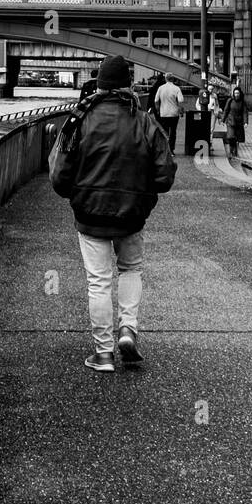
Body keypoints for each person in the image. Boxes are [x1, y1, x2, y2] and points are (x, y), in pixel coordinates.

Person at [50, 55, 176, 373]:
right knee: (130, 270)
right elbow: (165, 175)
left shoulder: (79, 119)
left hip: (90, 214)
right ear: (127, 85)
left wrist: (76, 194)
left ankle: (103, 353)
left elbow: (59, 176)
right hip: (132, 214)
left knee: (98, 282)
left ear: (99, 84)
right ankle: (127, 330)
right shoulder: (144, 121)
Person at [154, 74, 185, 151]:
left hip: (163, 113)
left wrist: (158, 110)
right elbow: (180, 101)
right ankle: (171, 150)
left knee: (165, 132)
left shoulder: (161, 88)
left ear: (165, 79)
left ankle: (165, 149)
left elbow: (156, 101)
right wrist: (181, 111)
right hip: (174, 113)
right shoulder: (176, 88)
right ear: (173, 79)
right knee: (173, 132)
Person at [224, 86, 247, 159]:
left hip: (239, 122)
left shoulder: (242, 102)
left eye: (238, 93)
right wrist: (223, 119)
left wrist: (245, 122)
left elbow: (245, 112)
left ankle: (234, 152)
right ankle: (231, 151)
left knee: (237, 138)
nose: (236, 94)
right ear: (233, 94)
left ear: (240, 94)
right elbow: (226, 110)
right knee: (230, 136)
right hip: (230, 121)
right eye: (235, 93)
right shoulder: (230, 100)